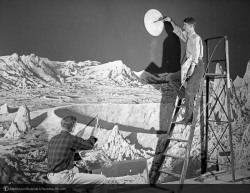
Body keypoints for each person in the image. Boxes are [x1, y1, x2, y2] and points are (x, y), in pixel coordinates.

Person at [47, 116, 107, 193]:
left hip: (51, 177)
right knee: (102, 180)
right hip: (63, 178)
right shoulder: (71, 139)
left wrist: (76, 138)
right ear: (73, 127)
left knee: (81, 169)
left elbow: (63, 154)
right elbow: (89, 145)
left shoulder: (53, 139)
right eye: (75, 126)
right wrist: (94, 135)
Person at [163, 16, 204, 124]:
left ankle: (188, 118)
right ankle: (184, 96)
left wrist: (192, 68)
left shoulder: (195, 38)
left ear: (190, 26)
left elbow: (196, 53)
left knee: (190, 92)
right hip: (189, 64)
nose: (183, 26)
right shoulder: (189, 36)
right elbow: (179, 32)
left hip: (196, 65)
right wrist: (171, 21)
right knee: (172, 77)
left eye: (185, 25)